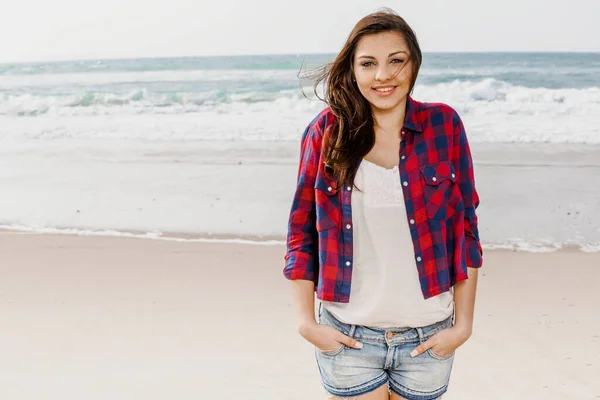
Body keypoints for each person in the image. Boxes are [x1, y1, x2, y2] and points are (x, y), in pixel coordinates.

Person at [283, 8, 483, 400]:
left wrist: (464, 326)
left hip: (429, 337)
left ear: (414, 64)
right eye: (368, 63)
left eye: (396, 61)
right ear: (353, 70)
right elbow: (301, 231)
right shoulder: (326, 132)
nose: (383, 75)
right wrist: (306, 323)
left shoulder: (444, 126)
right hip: (348, 335)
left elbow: (466, 230)